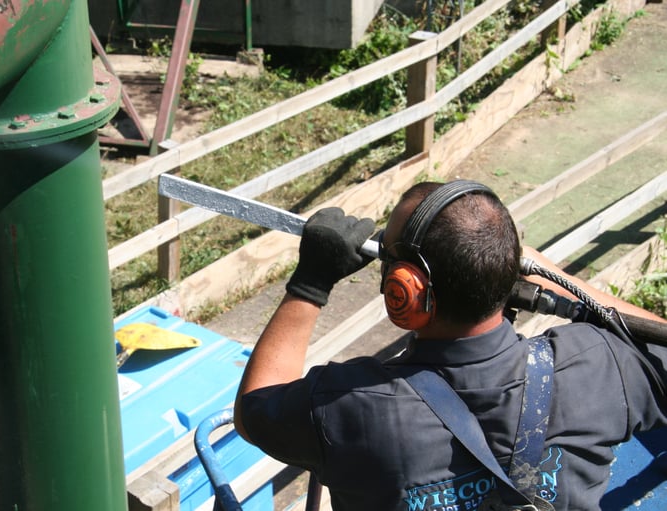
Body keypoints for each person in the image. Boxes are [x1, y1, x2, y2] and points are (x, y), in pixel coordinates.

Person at [233, 179, 667, 511]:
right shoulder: (597, 365)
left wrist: (310, 284)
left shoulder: (347, 406)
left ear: (406, 289)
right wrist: (545, 270)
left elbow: (254, 411)